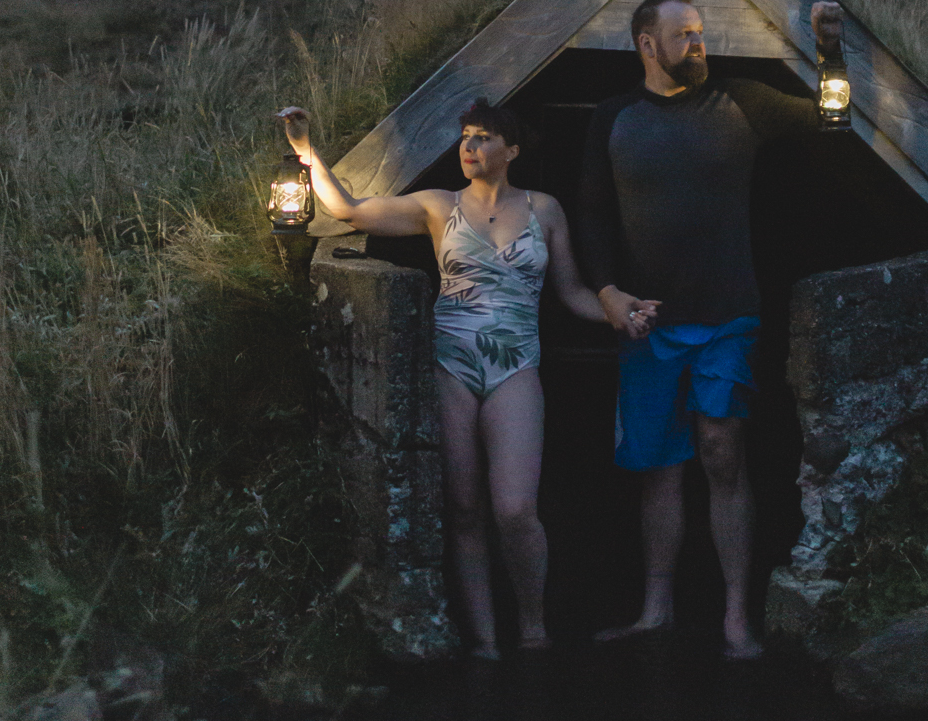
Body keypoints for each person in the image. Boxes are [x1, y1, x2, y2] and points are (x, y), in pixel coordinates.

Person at [277, 99, 653, 659]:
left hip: (516, 364)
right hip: (451, 360)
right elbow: (351, 210)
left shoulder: (544, 209)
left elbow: (572, 292)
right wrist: (308, 153)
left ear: (512, 150)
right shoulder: (438, 205)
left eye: (482, 137)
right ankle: (483, 641)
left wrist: (620, 313)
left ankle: (532, 626)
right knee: (465, 507)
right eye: (465, 137)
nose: (469, 147)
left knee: (514, 508)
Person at [578, 0, 845, 659]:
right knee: (660, 469)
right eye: (684, 35)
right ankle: (655, 612)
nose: (698, 44)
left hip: (727, 313)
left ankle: (734, 619)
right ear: (647, 45)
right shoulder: (613, 117)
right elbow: (592, 215)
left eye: (699, 33)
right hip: (647, 322)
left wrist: (829, 49)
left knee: (722, 452)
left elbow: (829, 117)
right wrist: (608, 293)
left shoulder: (742, 102)